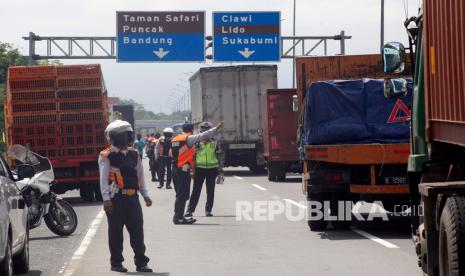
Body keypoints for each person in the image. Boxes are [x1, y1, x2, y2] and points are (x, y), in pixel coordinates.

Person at [98, 120, 153, 273]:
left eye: (127, 135)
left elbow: (140, 176)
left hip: (133, 198)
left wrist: (145, 195)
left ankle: (141, 262)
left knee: (137, 231)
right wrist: (106, 199)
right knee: (116, 232)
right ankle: (116, 263)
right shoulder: (106, 156)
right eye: (121, 135)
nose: (125, 139)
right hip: (116, 199)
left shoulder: (134, 154)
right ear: (113, 137)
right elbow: (103, 179)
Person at [169, 122, 223, 224]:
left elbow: (170, 154)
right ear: (192, 130)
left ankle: (179, 216)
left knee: (181, 194)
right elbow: (203, 136)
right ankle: (180, 216)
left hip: (177, 168)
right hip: (188, 169)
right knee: (184, 194)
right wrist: (217, 128)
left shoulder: (175, 139)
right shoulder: (190, 139)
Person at [186, 122, 224, 217]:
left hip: (212, 169)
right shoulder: (197, 142)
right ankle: (190, 210)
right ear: (201, 131)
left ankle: (208, 210)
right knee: (196, 191)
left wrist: (221, 170)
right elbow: (193, 157)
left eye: (207, 130)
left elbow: (220, 156)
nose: (205, 132)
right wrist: (192, 169)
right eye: (204, 130)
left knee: (210, 191)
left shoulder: (215, 142)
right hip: (199, 169)